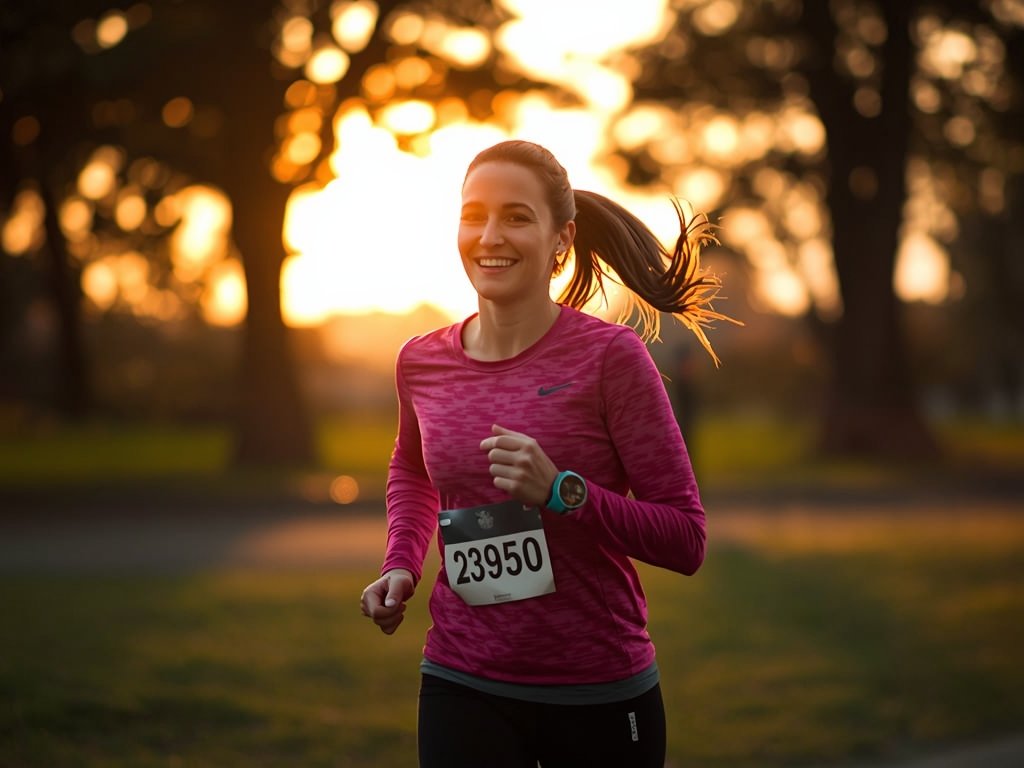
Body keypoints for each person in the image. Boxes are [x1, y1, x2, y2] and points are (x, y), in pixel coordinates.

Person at [359, 140, 735, 767]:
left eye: (516, 216)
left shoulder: (611, 359)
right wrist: (402, 562)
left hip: (596, 690)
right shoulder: (420, 361)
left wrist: (564, 492)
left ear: (561, 238)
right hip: (461, 677)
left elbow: (686, 539)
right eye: (473, 214)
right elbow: (413, 469)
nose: (488, 236)